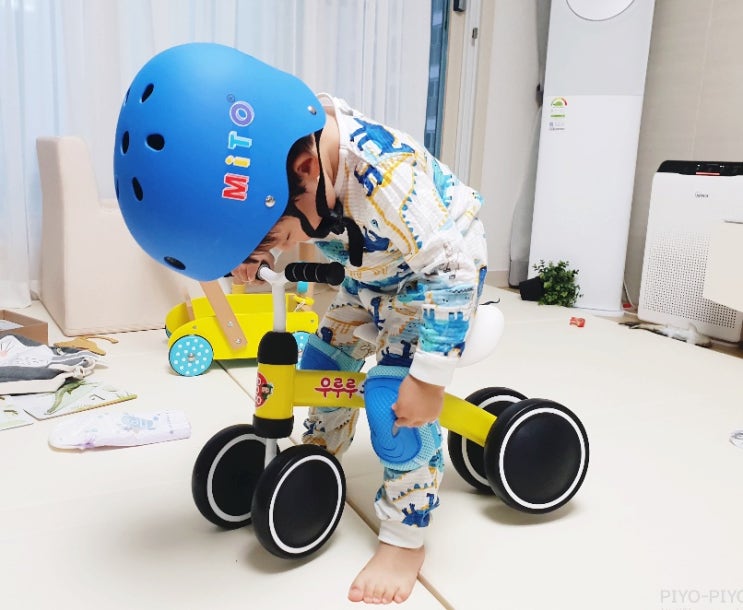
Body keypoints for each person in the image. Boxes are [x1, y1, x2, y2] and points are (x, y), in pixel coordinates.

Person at [114, 43, 487, 605]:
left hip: (434, 281)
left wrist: (430, 377)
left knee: (391, 402)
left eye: (268, 234)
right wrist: (259, 250)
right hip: (371, 274)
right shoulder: (295, 157)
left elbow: (450, 269)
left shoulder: (388, 180)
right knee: (319, 361)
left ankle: (406, 537)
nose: (266, 247)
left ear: (307, 172)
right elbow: (281, 211)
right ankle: (318, 459)